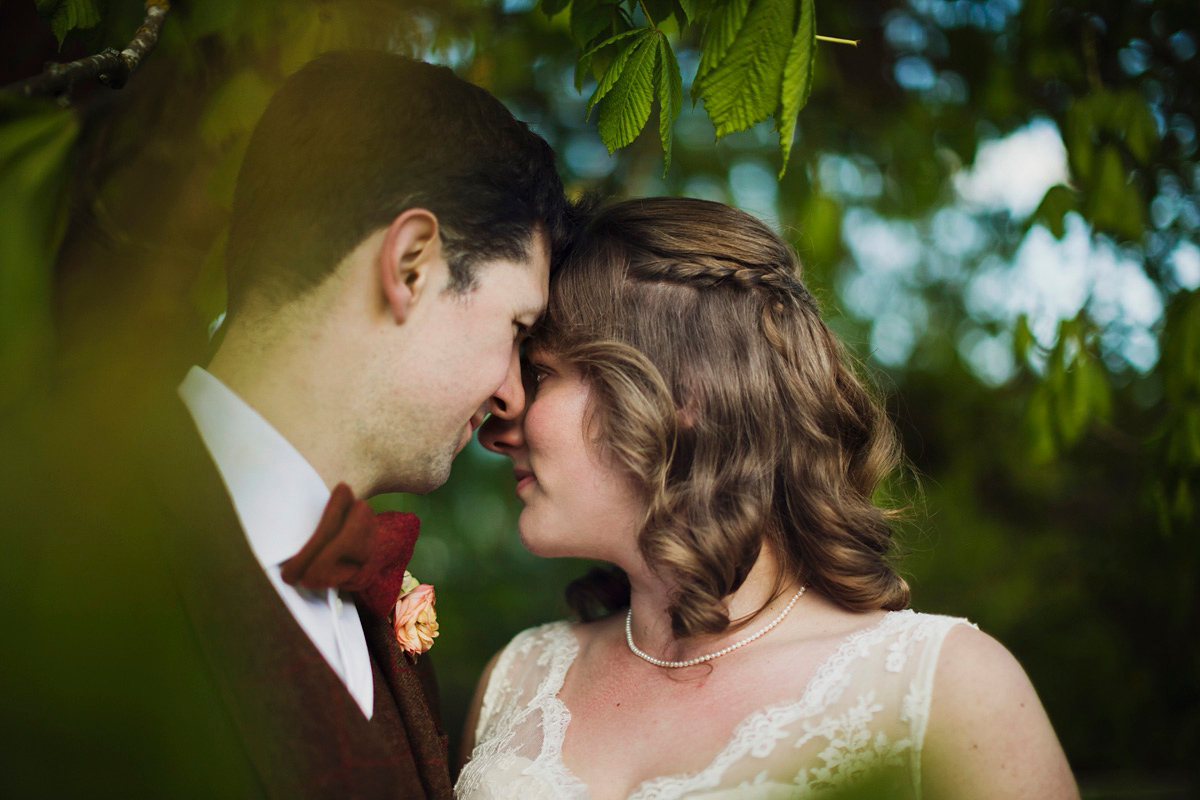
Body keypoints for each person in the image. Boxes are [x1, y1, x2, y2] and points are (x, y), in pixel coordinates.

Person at [458, 197, 1079, 799]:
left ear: (685, 392)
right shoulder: (516, 677)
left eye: (540, 374)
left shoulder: (942, 687)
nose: (495, 426)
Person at [140, 51, 569, 798]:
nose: (511, 396)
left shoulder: (383, 610)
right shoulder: (68, 530)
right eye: (516, 325)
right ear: (410, 265)